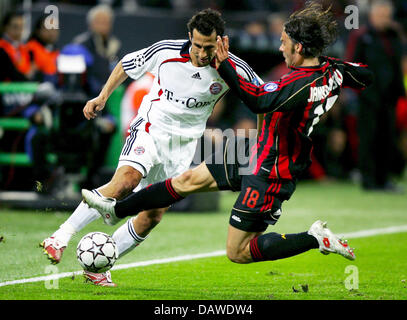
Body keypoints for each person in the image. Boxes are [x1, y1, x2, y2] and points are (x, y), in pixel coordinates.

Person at [82, 2, 373, 284]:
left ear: (298, 47)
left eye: (284, 42)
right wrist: (337, 67)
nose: (280, 47)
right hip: (255, 151)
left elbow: (260, 101)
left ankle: (314, 238)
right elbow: (365, 74)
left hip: (272, 169)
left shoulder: (300, 83)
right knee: (185, 180)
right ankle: (115, 210)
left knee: (238, 252)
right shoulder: (331, 70)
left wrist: (223, 65)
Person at [40, 8, 262, 286]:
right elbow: (125, 64)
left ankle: (100, 266)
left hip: (181, 148)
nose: (203, 54)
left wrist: (264, 137)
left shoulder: (232, 68)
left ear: (221, 41)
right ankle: (60, 236)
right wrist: (103, 95)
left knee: (153, 215)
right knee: (125, 181)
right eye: (197, 46)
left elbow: (263, 97)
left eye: (209, 47)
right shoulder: (165, 52)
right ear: (189, 38)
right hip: (150, 129)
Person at [345, 0, 405, 192]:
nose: (384, 19)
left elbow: (398, 64)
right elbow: (352, 64)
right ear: (372, 15)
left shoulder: (394, 36)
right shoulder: (361, 36)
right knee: (369, 138)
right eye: (381, 15)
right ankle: (369, 180)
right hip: (368, 98)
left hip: (389, 96)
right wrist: (360, 91)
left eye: (387, 16)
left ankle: (384, 179)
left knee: (387, 138)